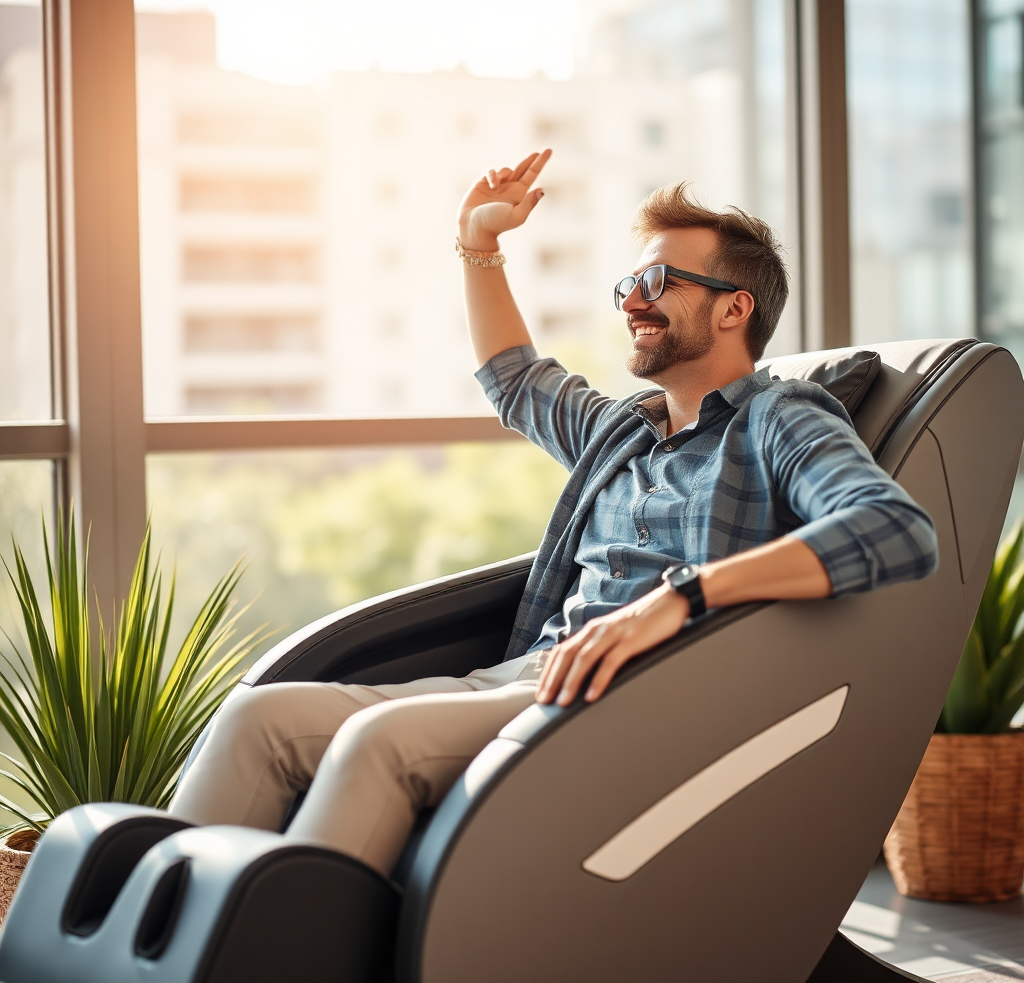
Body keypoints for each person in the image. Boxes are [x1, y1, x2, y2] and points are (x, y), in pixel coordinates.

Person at [170, 150, 938, 877]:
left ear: (735, 307)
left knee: (377, 745)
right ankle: (162, 957)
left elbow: (894, 530)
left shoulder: (777, 416)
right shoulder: (621, 430)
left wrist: (683, 597)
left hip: (634, 699)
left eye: (660, 281)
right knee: (256, 721)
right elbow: (513, 377)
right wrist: (477, 245)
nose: (633, 300)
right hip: (523, 675)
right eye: (629, 284)